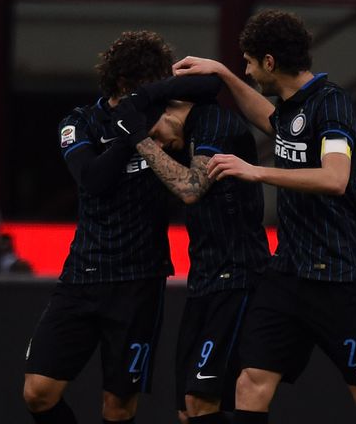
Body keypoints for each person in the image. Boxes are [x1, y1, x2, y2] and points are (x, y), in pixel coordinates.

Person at [172, 9, 356, 424]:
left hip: (337, 277)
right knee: (250, 382)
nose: (247, 72)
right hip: (287, 274)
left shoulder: (331, 104)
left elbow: (336, 178)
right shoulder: (289, 110)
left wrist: (258, 171)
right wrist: (225, 75)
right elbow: (266, 118)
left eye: (248, 63)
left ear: (269, 62)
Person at [22, 31, 177, 424]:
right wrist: (129, 136)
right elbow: (92, 178)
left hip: (140, 282)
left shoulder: (169, 121)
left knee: (118, 406)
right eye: (150, 83)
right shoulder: (80, 122)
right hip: (83, 276)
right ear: (125, 84)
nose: (158, 90)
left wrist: (142, 126)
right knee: (38, 393)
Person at [112, 91, 271, 424]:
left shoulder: (215, 121)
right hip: (203, 281)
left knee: (202, 402)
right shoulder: (186, 136)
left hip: (238, 276)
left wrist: (141, 138)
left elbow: (190, 188)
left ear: (169, 111)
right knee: (187, 411)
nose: (160, 143)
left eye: (157, 134)